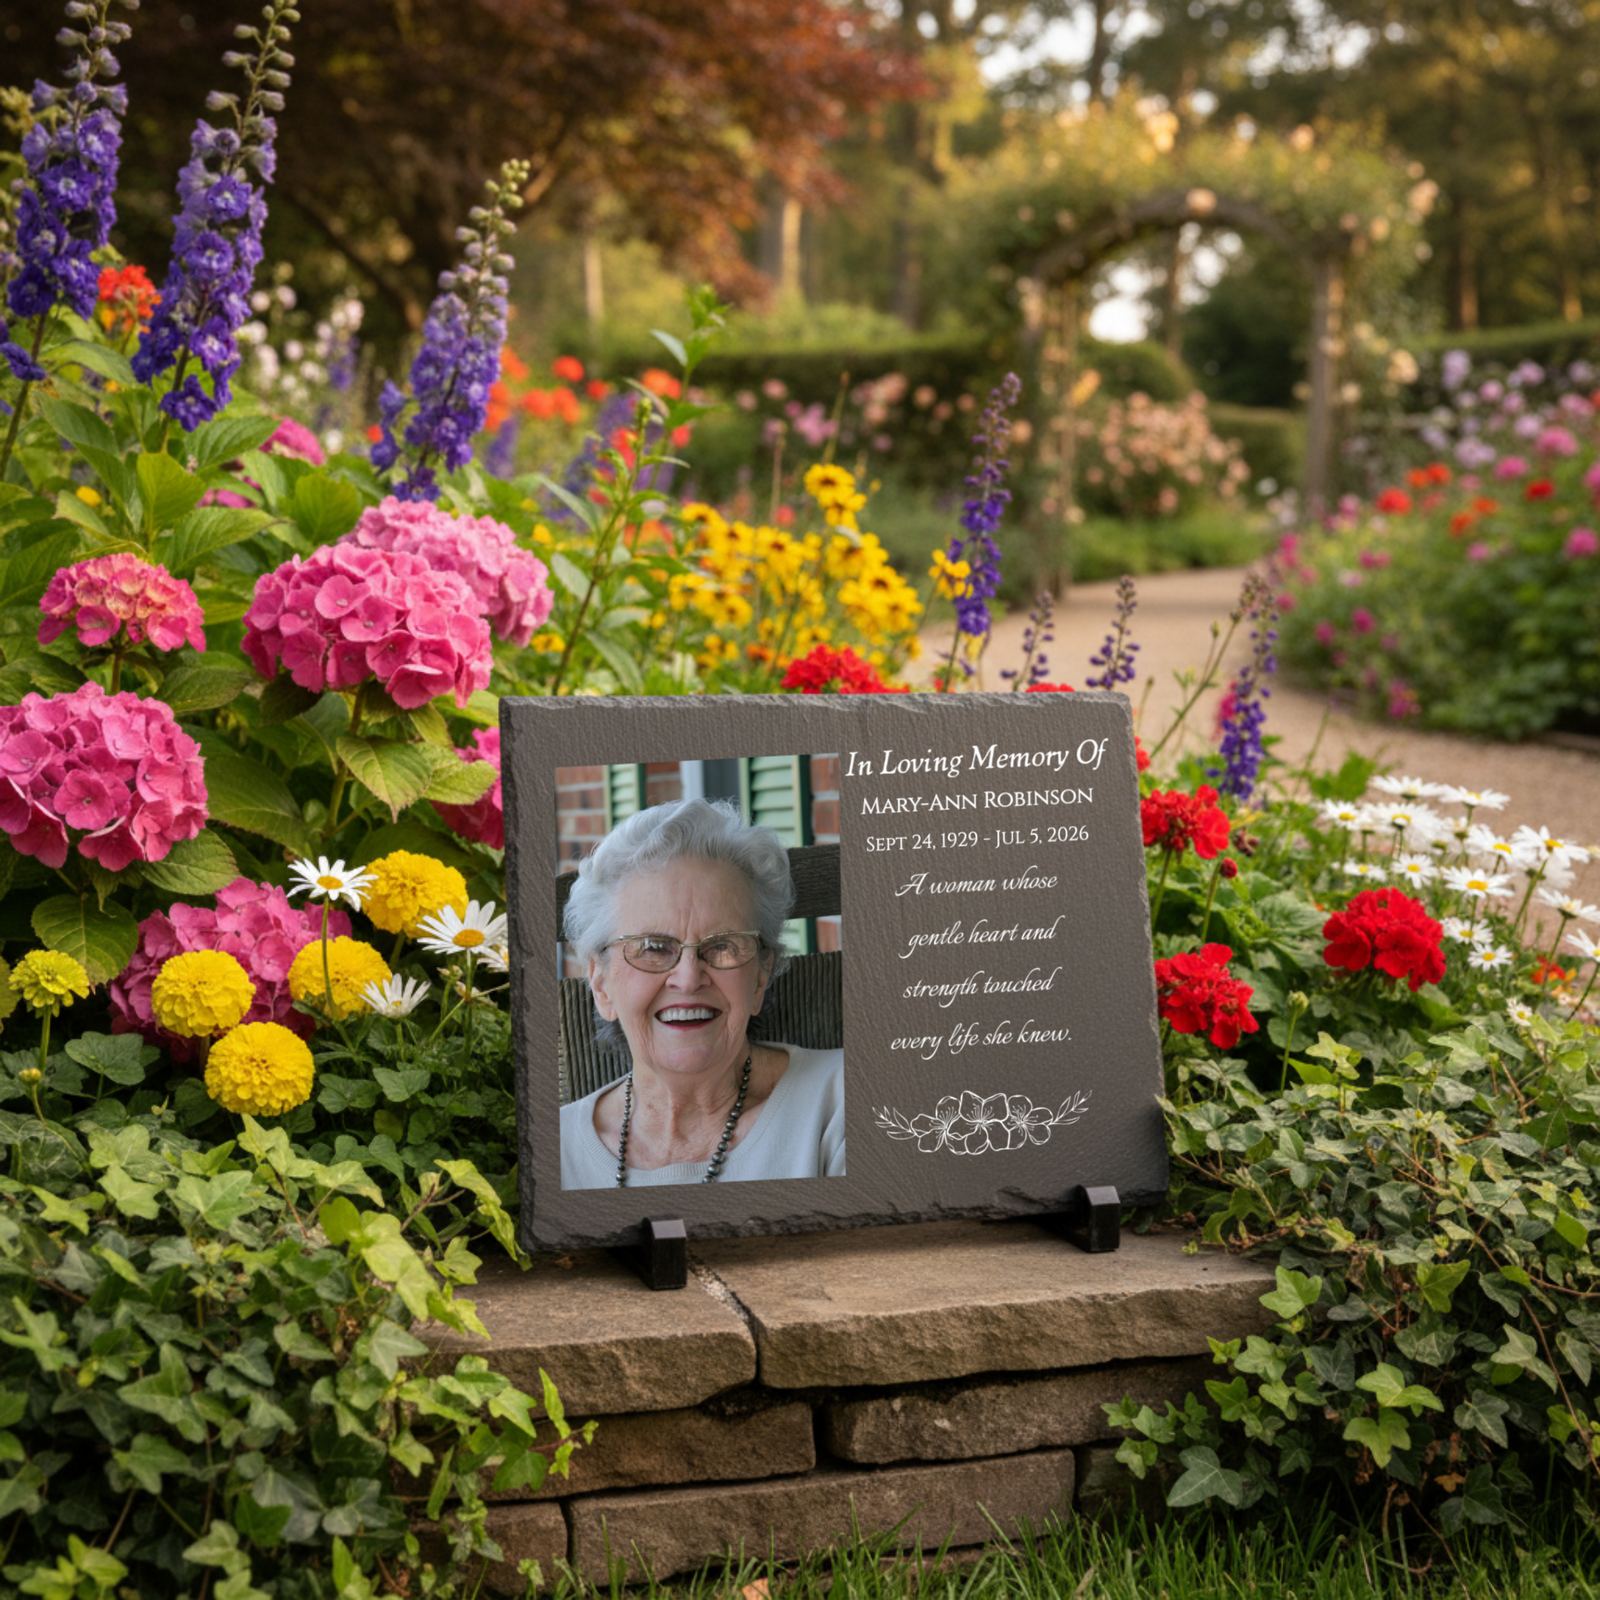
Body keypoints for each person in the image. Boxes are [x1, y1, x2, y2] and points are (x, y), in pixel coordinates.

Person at [559, 796, 844, 1188]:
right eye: (654, 948)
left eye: (722, 945)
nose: (689, 979)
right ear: (601, 984)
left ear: (761, 976)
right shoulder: (555, 1151)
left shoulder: (842, 1102)